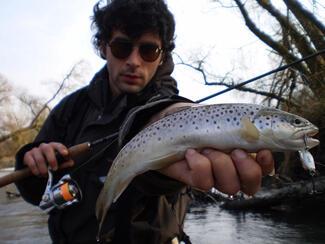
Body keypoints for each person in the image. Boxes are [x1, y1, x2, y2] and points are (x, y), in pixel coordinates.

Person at [15, 0, 274, 243]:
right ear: (104, 47)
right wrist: (34, 162)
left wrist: (165, 123)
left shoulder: (170, 105)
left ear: (162, 56)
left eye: (148, 50)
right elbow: (36, 194)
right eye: (122, 47)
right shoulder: (70, 108)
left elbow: (163, 116)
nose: (133, 61)